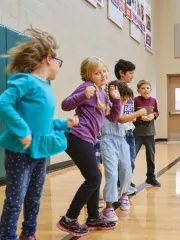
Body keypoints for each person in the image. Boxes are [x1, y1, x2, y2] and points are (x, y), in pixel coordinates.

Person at [0, 27, 78, 240]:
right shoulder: (25, 81)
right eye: (59, 62)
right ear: (49, 59)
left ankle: (29, 234)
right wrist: (22, 130)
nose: (59, 68)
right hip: (21, 151)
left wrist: (64, 124)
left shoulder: (45, 86)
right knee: (15, 200)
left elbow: (43, 122)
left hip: (40, 152)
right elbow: (3, 103)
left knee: (34, 198)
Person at [56, 56, 121, 237]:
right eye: (97, 72)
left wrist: (116, 100)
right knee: (93, 178)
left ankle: (93, 217)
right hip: (77, 136)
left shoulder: (103, 92)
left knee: (95, 177)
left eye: (104, 71)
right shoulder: (87, 87)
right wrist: (82, 96)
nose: (102, 75)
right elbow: (65, 104)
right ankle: (69, 219)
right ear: (88, 75)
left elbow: (113, 118)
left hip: (87, 140)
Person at [100, 80, 147, 221]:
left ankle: (124, 195)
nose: (125, 101)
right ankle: (108, 207)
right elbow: (119, 119)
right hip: (108, 140)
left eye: (126, 99)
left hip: (122, 139)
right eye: (123, 98)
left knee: (127, 169)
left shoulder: (125, 105)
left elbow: (126, 123)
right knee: (112, 174)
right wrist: (140, 112)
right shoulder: (106, 104)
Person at [114, 59, 138, 194]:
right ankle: (120, 184)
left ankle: (126, 182)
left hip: (129, 130)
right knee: (122, 161)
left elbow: (128, 111)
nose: (132, 76)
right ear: (121, 73)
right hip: (120, 132)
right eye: (130, 73)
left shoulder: (129, 91)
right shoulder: (115, 90)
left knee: (131, 160)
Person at [134, 80, 161, 187]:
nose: (145, 90)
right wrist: (141, 117)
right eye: (143, 88)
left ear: (150, 89)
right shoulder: (135, 100)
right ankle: (127, 179)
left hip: (150, 133)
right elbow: (131, 114)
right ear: (138, 90)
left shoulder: (153, 100)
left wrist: (153, 115)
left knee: (151, 156)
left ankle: (151, 177)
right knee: (132, 156)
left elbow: (157, 112)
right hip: (137, 133)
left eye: (147, 88)